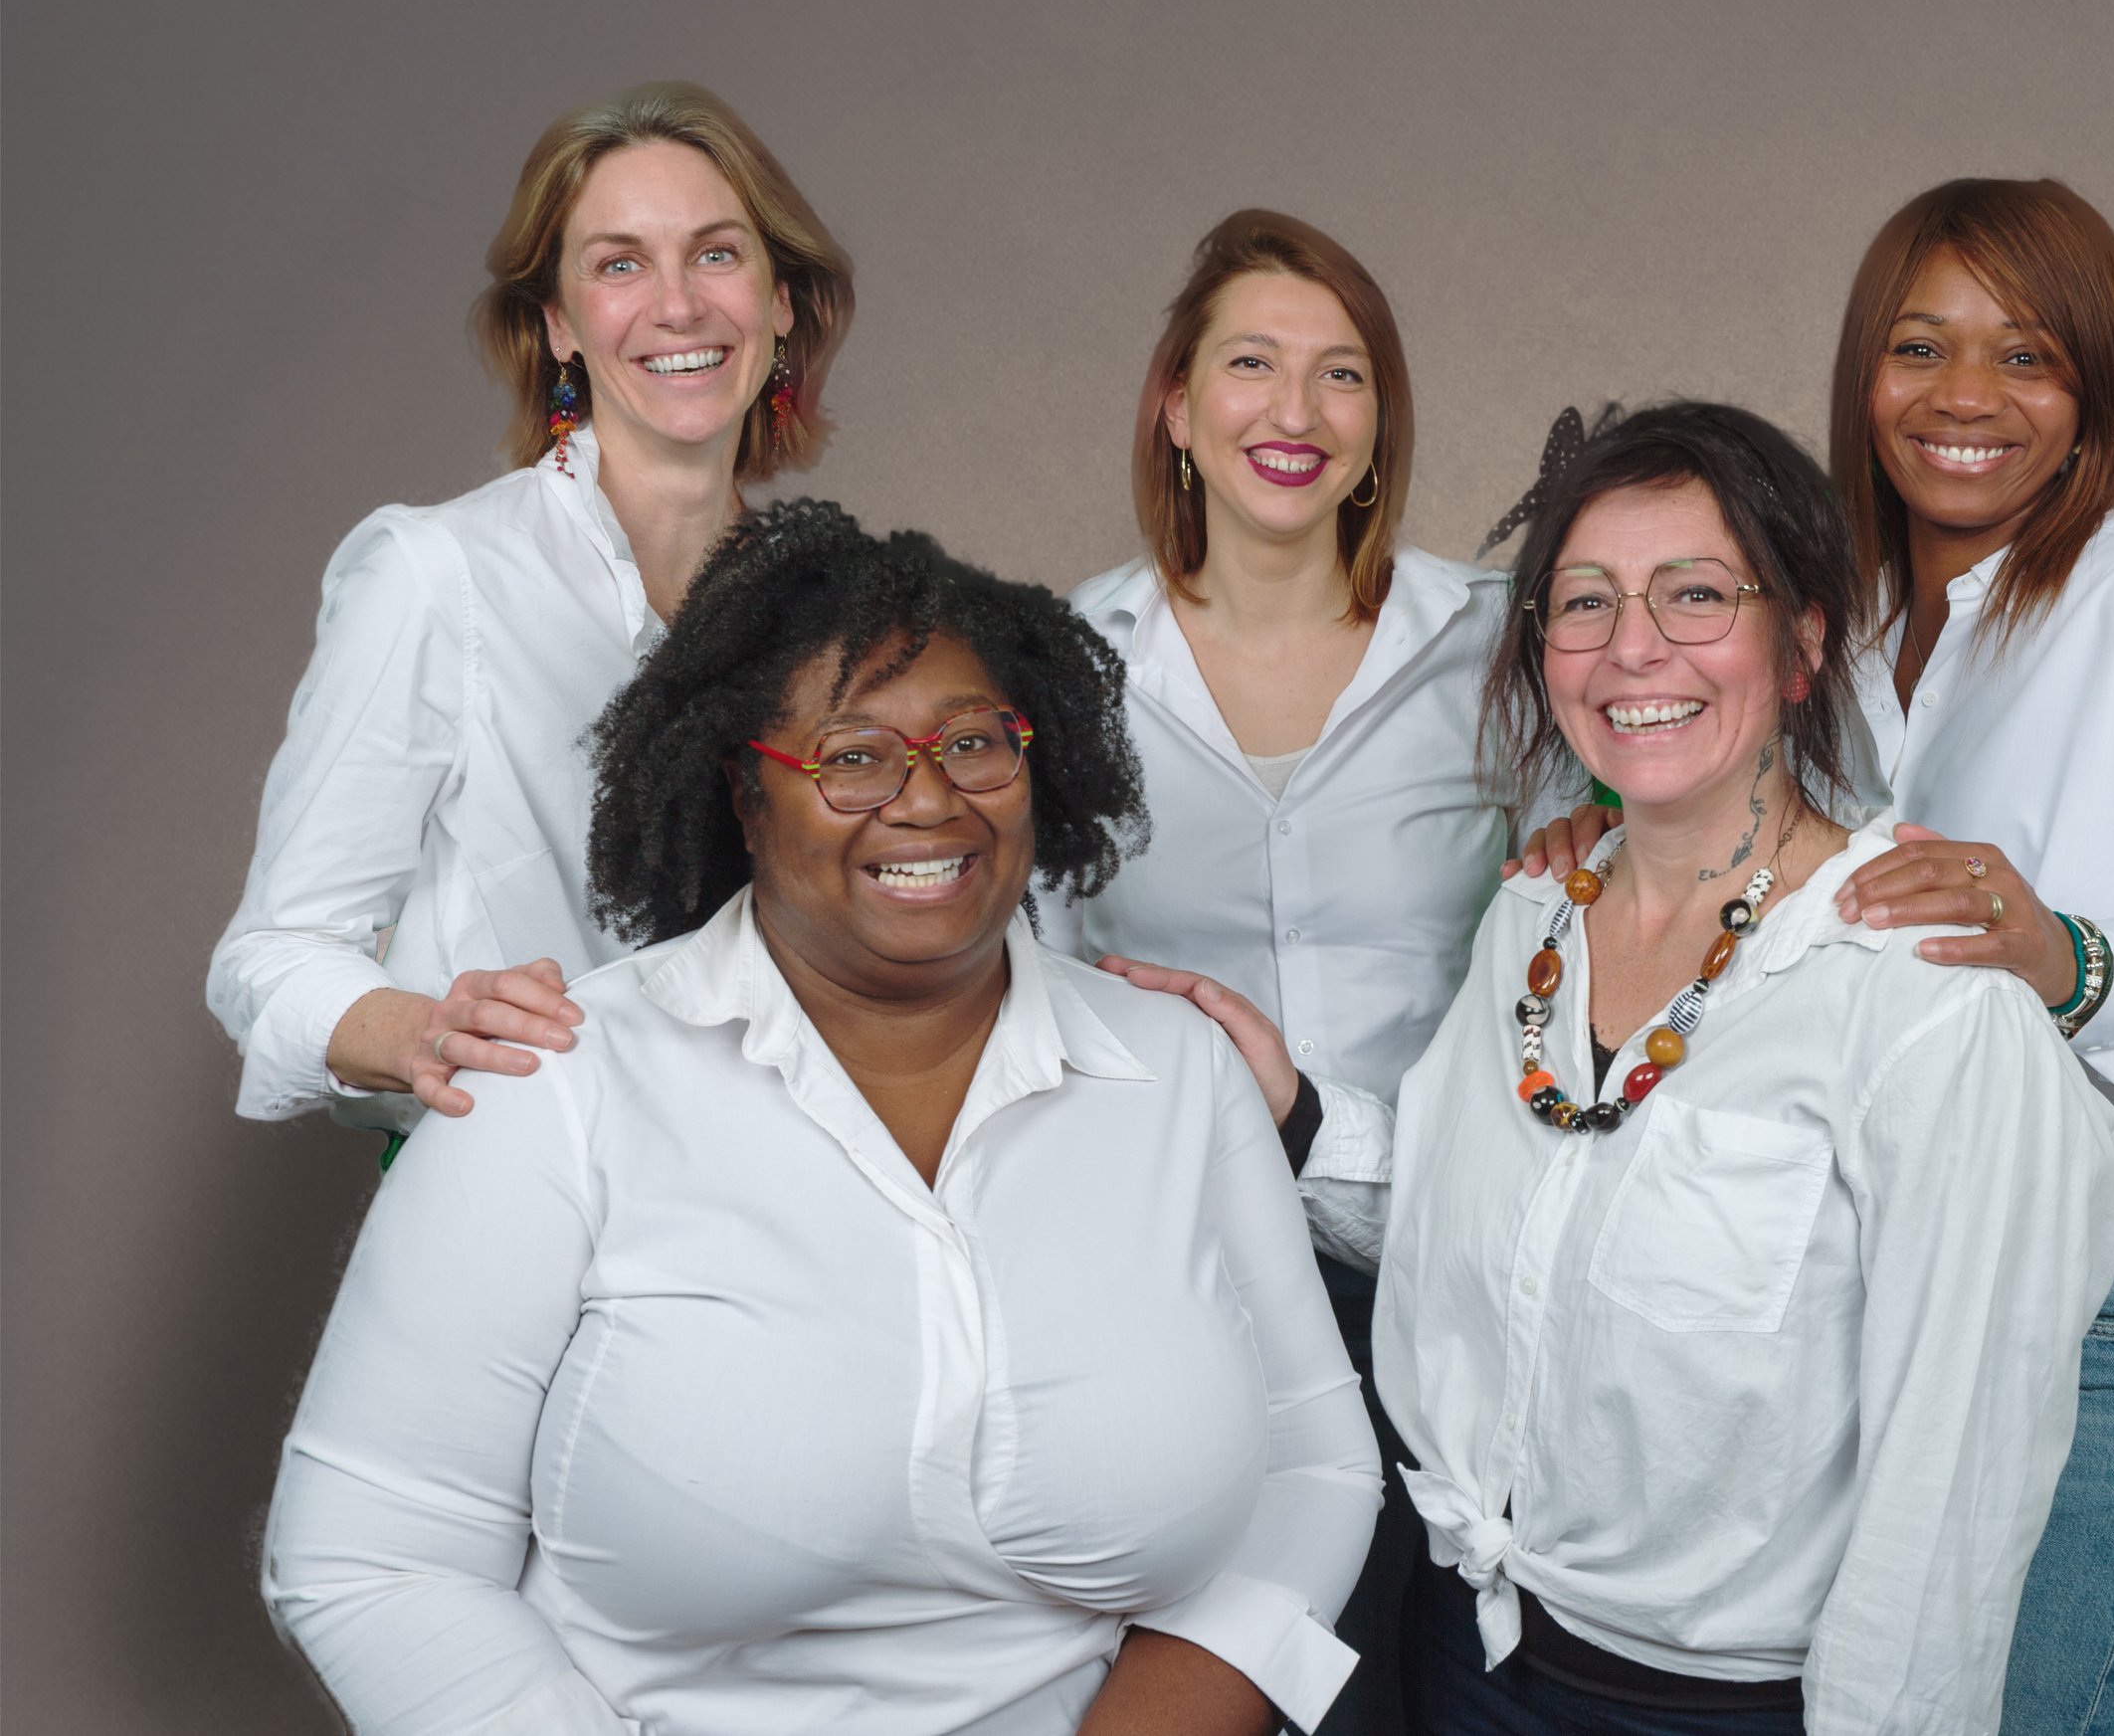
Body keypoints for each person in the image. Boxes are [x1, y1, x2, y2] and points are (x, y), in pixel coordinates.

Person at [260, 503, 1383, 1736]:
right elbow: (372, 1553)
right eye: (852, 756)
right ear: (745, 794)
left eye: (974, 744)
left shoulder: (1179, 1075)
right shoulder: (555, 1083)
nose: (926, 800)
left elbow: (1312, 1467)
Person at [1524, 180, 2114, 1734]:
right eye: (1921, 347)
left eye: (2029, 356)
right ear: (1864, 373)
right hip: (1843, 1315)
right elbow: (1741, 892)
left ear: (2098, 393)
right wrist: (1595, 846)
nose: (1966, 400)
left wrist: (2066, 954)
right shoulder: (1827, 630)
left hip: (2097, 1334)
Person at [1133, 402, 2114, 1732]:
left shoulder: (1927, 1002)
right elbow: (1468, 1242)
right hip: (1458, 1653)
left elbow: (1953, 1496)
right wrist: (1292, 1111)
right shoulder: (1534, 921)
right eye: (1584, 603)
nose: (1633, 648)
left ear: (1804, 641)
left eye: (1697, 594)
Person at [1043, 208, 1543, 1734]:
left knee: (1433, 1688)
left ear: (1381, 425)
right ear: (1176, 408)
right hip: (1181, 1278)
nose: (1295, 410)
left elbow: (1583, 926)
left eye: (1342, 375)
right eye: (1250, 364)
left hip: (1445, 1265)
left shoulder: (1500, 644)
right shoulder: (1064, 659)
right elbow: (1033, 965)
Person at [207, 81, 854, 1145]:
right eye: (618, 264)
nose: (679, 304)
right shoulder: (437, 574)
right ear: (557, 323)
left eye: (718, 253)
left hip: (773, 1208)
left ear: (781, 299)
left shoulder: (839, 608)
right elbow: (270, 958)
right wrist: (424, 1029)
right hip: (520, 1198)